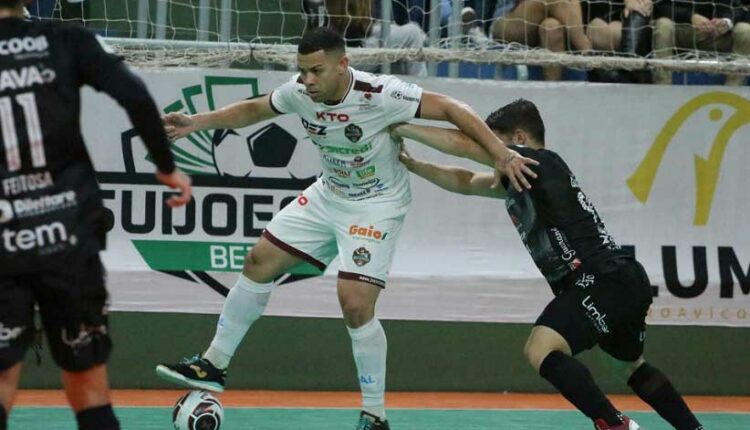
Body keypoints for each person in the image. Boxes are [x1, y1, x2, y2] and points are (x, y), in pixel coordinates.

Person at [155, 27, 536, 430]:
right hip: (329, 194)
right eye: (303, 71)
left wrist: (501, 153)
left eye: (317, 70)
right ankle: (213, 364)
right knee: (258, 261)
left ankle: (375, 415)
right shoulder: (299, 92)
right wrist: (196, 122)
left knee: (354, 303)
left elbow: (453, 109)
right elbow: (255, 110)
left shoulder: (382, 93)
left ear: (343, 65)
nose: (308, 80)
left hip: (376, 205)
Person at [391, 99, 705, 430]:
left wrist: (397, 124)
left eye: (494, 141)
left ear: (520, 139)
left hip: (601, 278)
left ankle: (616, 425)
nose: (491, 153)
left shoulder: (539, 162)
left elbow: (465, 145)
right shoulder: (522, 180)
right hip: (620, 279)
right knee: (628, 365)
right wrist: (414, 165)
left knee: (540, 347)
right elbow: (467, 181)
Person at [0, 1, 192, 430]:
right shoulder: (65, 39)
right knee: (88, 388)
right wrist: (166, 166)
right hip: (67, 236)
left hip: (5, 242)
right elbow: (135, 95)